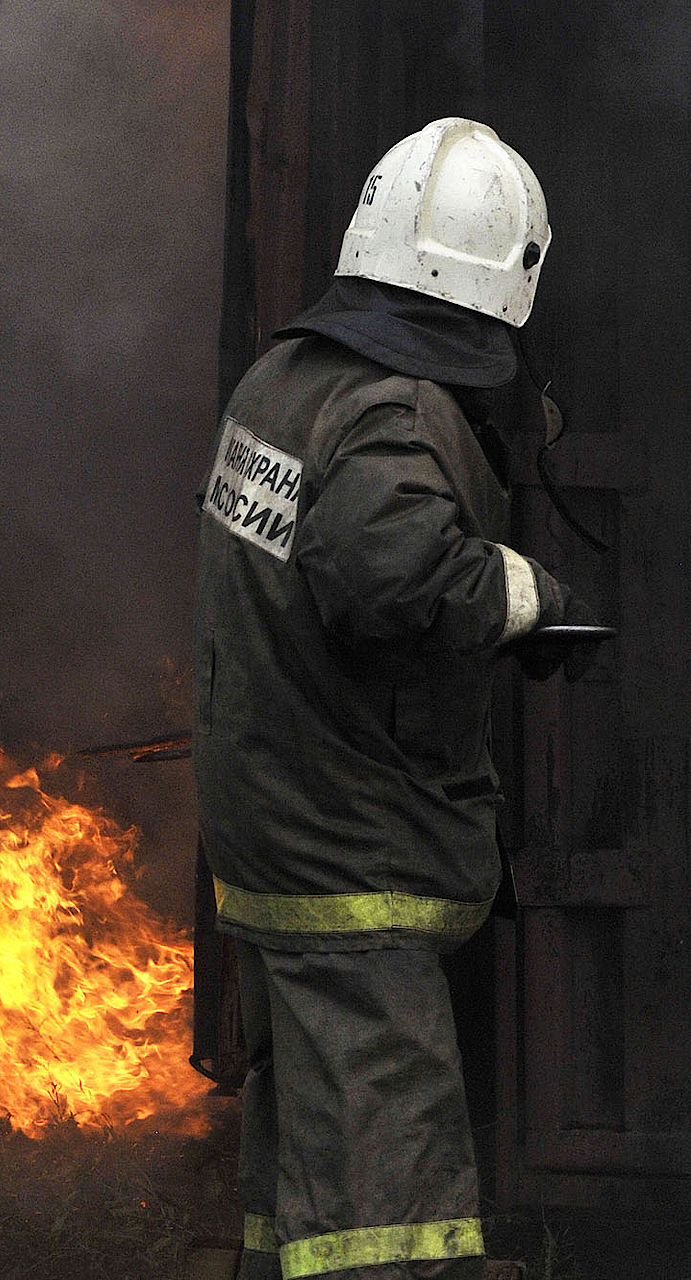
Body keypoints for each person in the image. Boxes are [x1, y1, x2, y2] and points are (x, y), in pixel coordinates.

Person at [194, 117, 594, 1280]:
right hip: (352, 863)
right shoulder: (392, 410)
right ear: (505, 279)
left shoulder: (284, 382)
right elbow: (388, 569)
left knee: (308, 1181)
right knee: (390, 1212)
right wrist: (522, 593)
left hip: (278, 845)